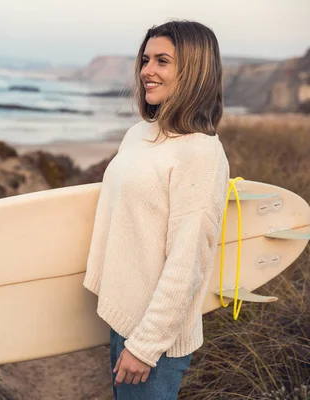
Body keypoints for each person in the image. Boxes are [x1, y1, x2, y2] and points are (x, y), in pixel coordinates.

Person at [82, 20, 231, 399]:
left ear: (194, 71)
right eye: (146, 59)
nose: (147, 70)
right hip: (123, 315)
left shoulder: (201, 153)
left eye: (162, 61)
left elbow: (188, 260)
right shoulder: (140, 134)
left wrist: (145, 346)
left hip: (156, 340)